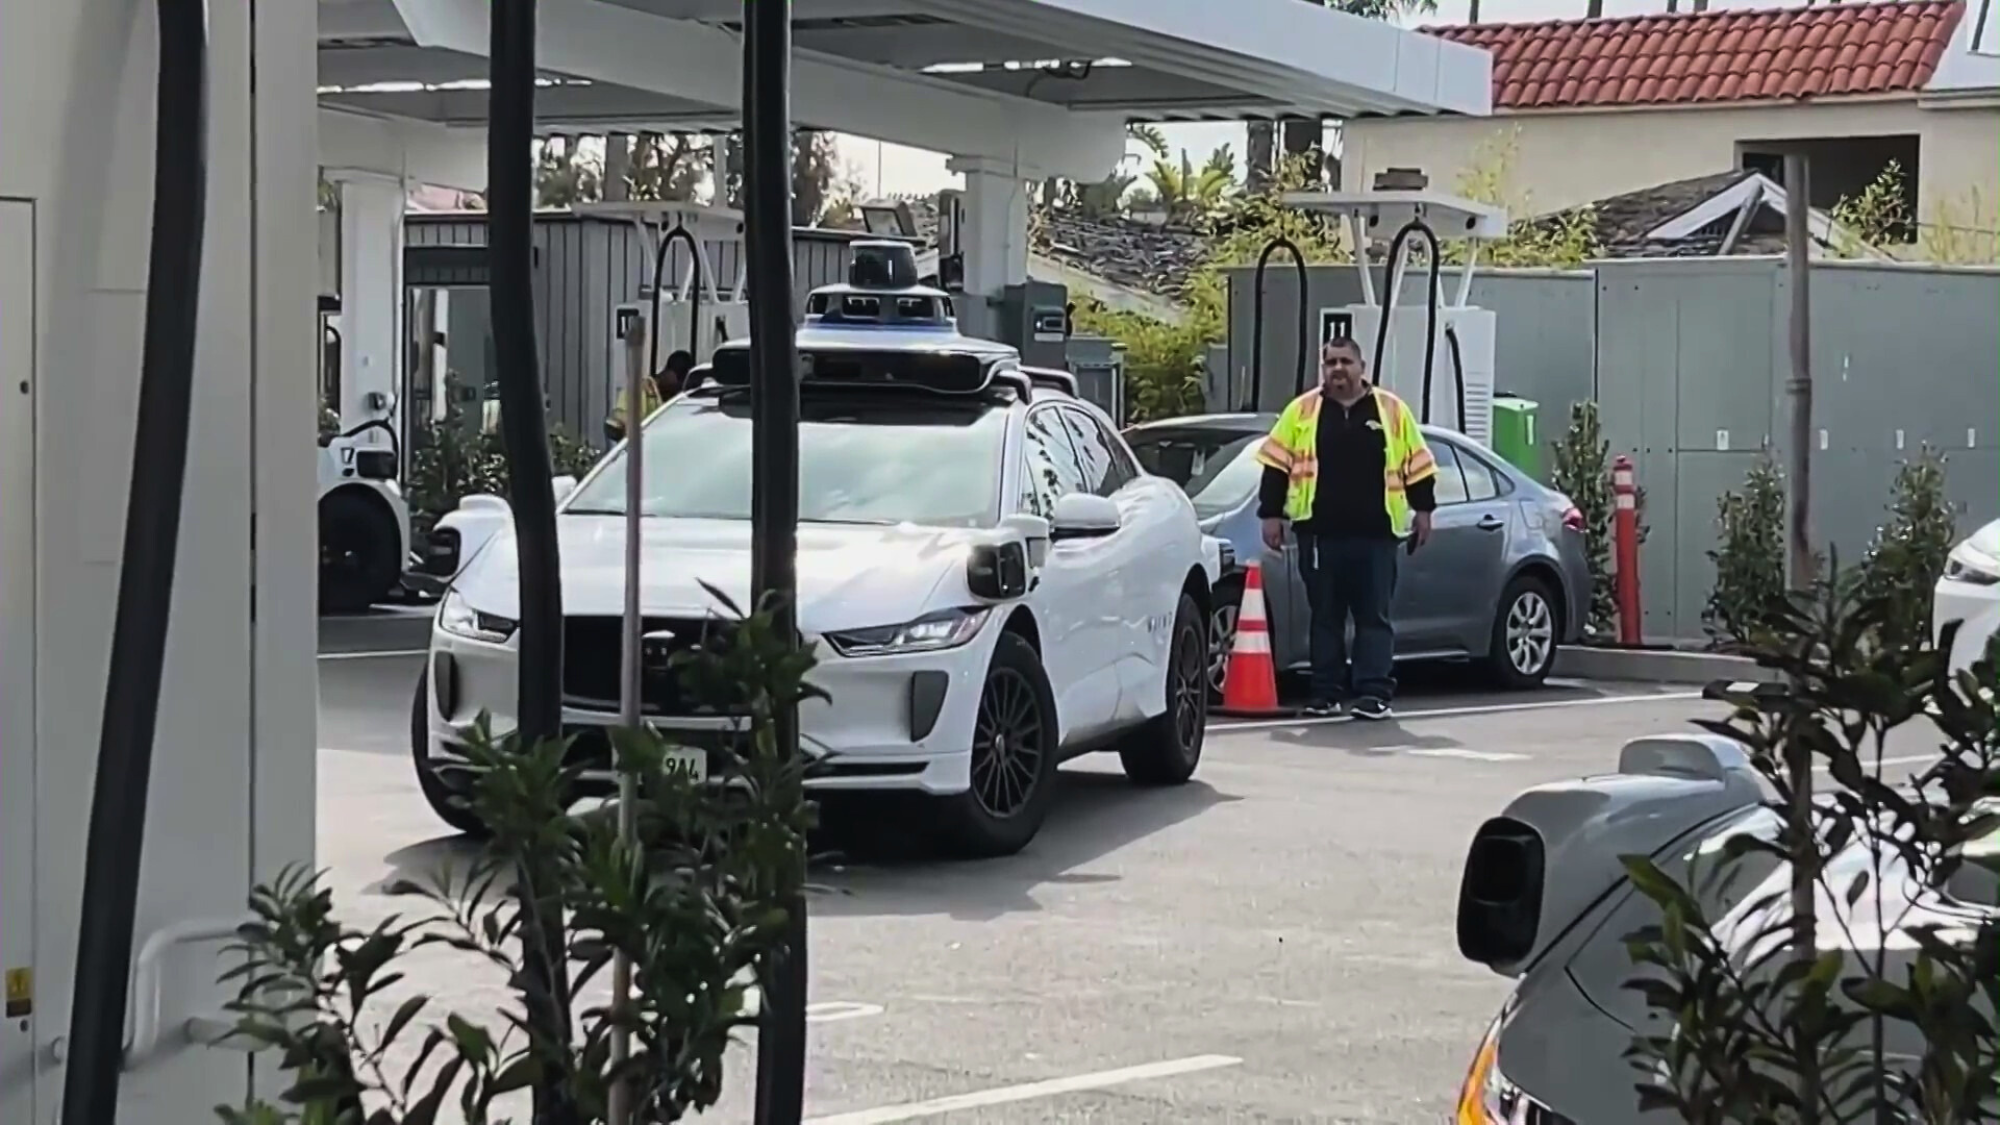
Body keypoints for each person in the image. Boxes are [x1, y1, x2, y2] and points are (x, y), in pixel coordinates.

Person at [1254, 336, 1437, 720]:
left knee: (1374, 617)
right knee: (1325, 617)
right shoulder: (1302, 411)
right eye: (1331, 362)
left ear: (1362, 366)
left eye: (1345, 362)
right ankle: (1325, 694)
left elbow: (1418, 465)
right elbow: (1275, 466)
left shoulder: (1391, 410)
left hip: (1377, 536)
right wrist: (1270, 514)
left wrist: (1424, 511)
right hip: (1320, 535)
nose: (1338, 369)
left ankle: (1374, 694)